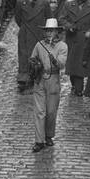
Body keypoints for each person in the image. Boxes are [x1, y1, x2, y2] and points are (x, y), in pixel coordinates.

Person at [29, 18, 67, 153]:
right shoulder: (39, 44)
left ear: (57, 32)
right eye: (47, 31)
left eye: (52, 31)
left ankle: (48, 135)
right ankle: (39, 141)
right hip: (40, 80)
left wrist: (55, 61)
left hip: (54, 80)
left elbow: (62, 64)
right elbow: (32, 58)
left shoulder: (62, 46)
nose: (49, 33)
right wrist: (35, 65)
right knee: (40, 111)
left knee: (51, 112)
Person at [58, 0, 90, 97]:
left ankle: (79, 88)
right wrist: (69, 26)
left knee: (80, 64)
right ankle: (74, 85)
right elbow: (61, 18)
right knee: (71, 64)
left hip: (84, 39)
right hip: (72, 38)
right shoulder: (68, 5)